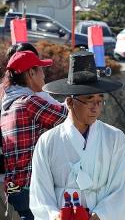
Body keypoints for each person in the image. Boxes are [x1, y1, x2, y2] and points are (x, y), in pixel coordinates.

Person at [29, 50, 125, 219]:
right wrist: (53, 216)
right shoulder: (48, 141)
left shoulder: (115, 138)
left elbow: (123, 189)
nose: (96, 107)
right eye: (89, 100)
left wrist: (99, 215)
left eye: (100, 100)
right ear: (70, 102)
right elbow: (40, 192)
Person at [1, 51, 68, 220]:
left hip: (14, 189)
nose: (44, 75)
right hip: (30, 189)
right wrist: (78, 94)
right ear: (30, 73)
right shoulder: (29, 102)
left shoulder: (8, 106)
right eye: (41, 70)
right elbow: (67, 116)